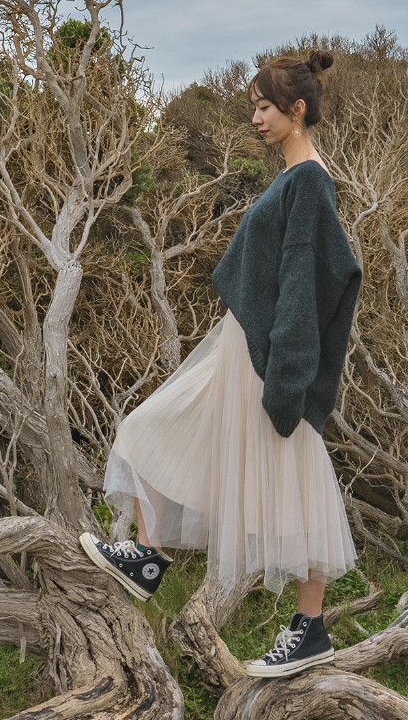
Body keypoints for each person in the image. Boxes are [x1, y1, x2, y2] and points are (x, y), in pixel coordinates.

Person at [80, 49, 363, 677]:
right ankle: (148, 559)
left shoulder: (310, 180)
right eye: (253, 108)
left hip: (265, 361)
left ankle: (310, 626)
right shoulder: (295, 178)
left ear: (296, 110)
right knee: (150, 430)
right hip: (241, 350)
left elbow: (302, 283)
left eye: (264, 107)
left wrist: (287, 378)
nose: (256, 118)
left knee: (297, 473)